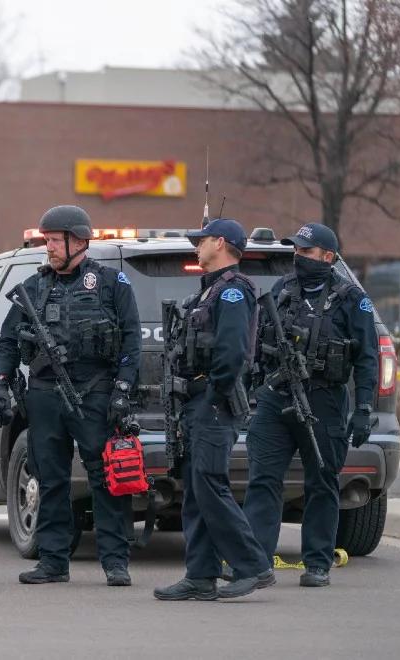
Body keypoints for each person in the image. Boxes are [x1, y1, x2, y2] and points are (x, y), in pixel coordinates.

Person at [0, 205, 142, 587]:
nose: (50, 248)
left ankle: (115, 562)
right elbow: (8, 341)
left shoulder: (112, 283)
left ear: (79, 241)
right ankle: (54, 561)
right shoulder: (34, 287)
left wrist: (122, 389)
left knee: (104, 478)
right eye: (48, 241)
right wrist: (1, 383)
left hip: (95, 392)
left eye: (55, 240)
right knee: (49, 477)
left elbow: (131, 341)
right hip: (43, 394)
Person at [239, 222, 377, 587]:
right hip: (276, 395)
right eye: (297, 250)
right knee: (263, 479)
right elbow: (257, 343)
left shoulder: (351, 298)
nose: (299, 257)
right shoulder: (283, 290)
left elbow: (367, 358)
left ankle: (317, 563)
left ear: (328, 257)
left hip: (324, 399)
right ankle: (254, 563)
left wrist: (364, 408)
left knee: (322, 480)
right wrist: (252, 383)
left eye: (307, 251)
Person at [154, 218, 275, 601]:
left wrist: (213, 396)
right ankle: (200, 574)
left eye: (202, 240)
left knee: (209, 483)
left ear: (220, 243)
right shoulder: (208, 293)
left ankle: (253, 565)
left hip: (214, 402)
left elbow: (233, 353)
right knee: (195, 487)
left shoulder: (233, 292)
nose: (196, 246)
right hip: (197, 401)